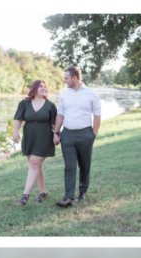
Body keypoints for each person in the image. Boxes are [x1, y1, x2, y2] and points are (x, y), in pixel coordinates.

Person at [53, 66, 101, 208]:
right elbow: (60, 114)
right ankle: (68, 197)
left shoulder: (91, 94)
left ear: (74, 78)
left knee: (84, 165)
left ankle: (83, 191)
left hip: (85, 134)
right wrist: (56, 132)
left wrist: (94, 134)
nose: (64, 80)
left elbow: (97, 115)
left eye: (66, 78)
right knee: (69, 166)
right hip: (67, 134)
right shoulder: (64, 94)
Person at [12, 80, 58, 205]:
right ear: (34, 89)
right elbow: (18, 118)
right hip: (29, 137)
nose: (44, 88)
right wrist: (15, 132)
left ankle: (25, 195)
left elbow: (55, 124)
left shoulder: (50, 105)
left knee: (33, 164)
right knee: (36, 166)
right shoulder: (24, 103)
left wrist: (57, 134)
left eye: (45, 86)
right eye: (41, 86)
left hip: (44, 137)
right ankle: (43, 192)